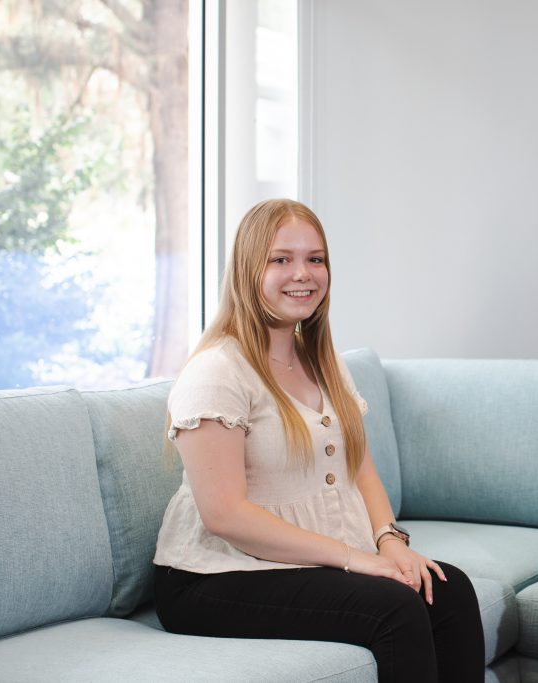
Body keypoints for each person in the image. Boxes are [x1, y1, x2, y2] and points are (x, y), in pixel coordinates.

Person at [153, 198, 484, 683]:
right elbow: (223, 514)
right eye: (280, 259)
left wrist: (389, 543)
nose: (302, 273)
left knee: (448, 589)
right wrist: (355, 559)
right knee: (395, 608)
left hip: (303, 564)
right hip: (213, 577)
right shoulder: (218, 371)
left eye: (315, 259)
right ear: (249, 269)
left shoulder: (323, 363)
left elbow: (362, 470)